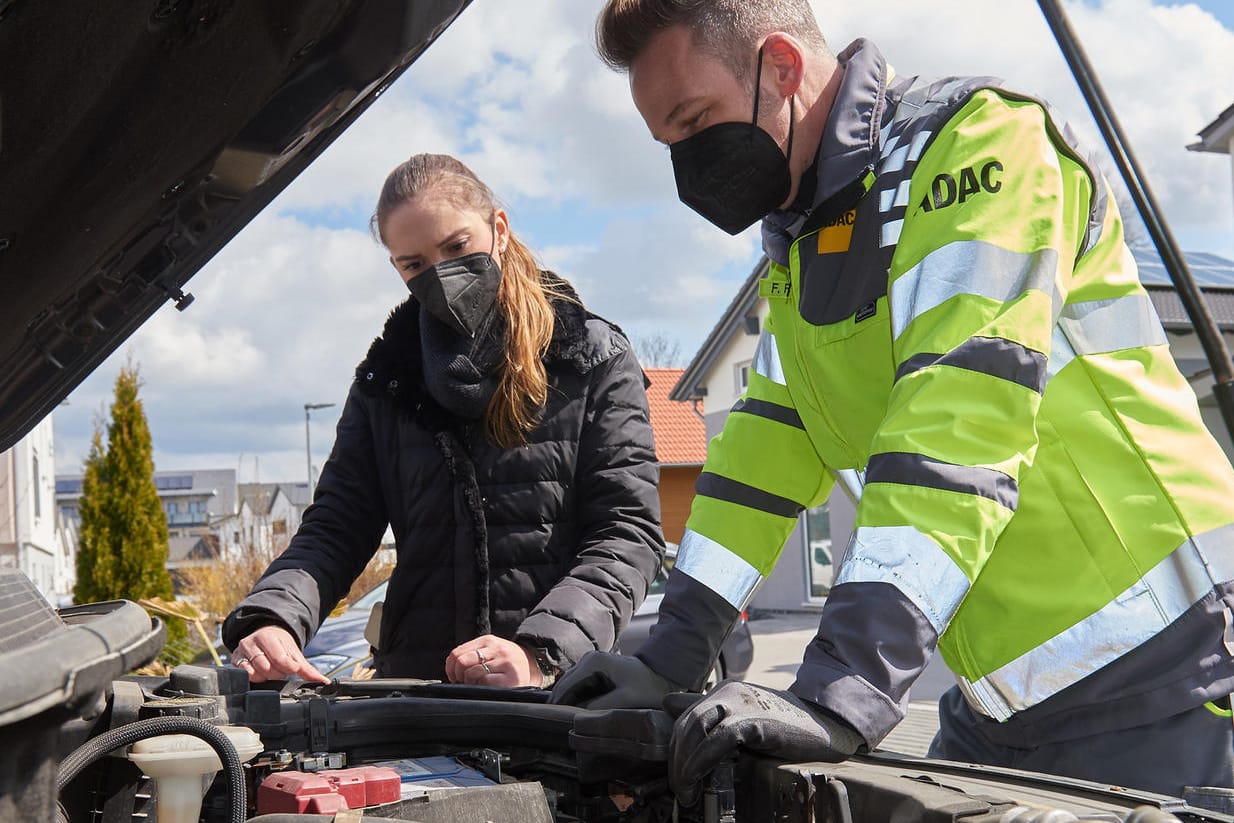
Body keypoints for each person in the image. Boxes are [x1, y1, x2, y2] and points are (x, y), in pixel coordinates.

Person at [552, 0, 1234, 807]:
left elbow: (958, 421)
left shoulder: (981, 145)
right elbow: (763, 454)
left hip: (1176, 668)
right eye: (670, 145)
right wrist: (667, 658)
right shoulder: (802, 243)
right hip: (1004, 698)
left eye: (697, 120)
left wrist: (838, 688)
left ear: (782, 67)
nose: (689, 166)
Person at [223, 153, 665, 689]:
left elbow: (627, 534)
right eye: (414, 264)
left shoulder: (590, 357)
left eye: (457, 247)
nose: (441, 275)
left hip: (556, 697)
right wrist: (273, 618)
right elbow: (337, 526)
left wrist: (538, 651)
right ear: (396, 268)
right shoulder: (386, 379)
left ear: (499, 229)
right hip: (418, 698)